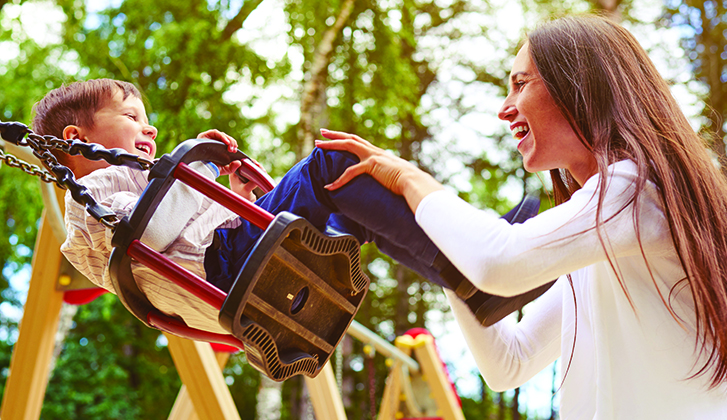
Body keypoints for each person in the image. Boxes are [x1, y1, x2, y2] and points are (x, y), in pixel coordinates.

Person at [316, 14, 727, 419]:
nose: (504, 109)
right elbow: (510, 362)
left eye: (520, 84)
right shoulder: (604, 241)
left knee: (333, 175)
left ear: (579, 86)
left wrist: (409, 178)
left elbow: (501, 262)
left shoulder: (637, 191)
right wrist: (441, 251)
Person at [31, 79, 538, 336]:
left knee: (354, 204)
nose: (151, 129)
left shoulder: (135, 182)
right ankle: (476, 255)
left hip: (230, 264)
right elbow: (151, 233)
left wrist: (238, 195)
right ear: (78, 138)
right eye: (131, 116)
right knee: (334, 164)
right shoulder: (94, 190)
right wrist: (198, 169)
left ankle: (470, 278)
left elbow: (182, 228)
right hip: (227, 267)